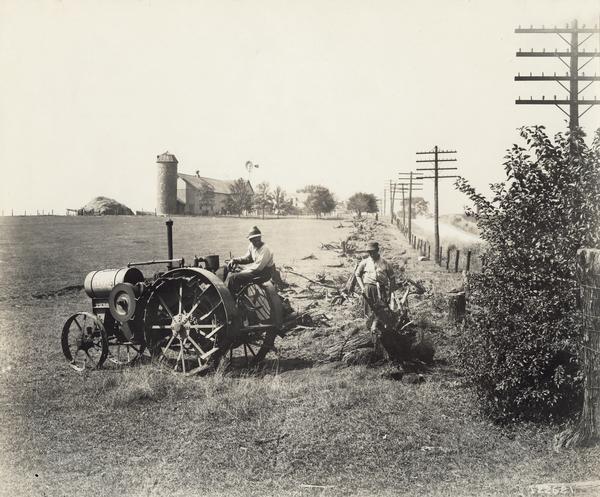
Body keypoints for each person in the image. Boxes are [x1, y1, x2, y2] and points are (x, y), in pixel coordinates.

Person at [354, 241, 396, 326]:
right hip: (368, 289)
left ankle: (382, 330)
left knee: (383, 311)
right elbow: (357, 274)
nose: (371, 254)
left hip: (381, 289)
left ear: (377, 250)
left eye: (373, 252)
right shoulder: (364, 262)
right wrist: (362, 287)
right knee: (369, 311)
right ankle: (370, 330)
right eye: (369, 252)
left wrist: (391, 293)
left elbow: (392, 278)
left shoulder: (385, 262)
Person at [225, 226, 275, 295]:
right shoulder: (252, 246)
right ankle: (239, 294)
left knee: (233, 278)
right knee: (231, 271)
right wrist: (235, 260)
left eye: (258, 239)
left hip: (265, 273)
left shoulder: (265, 249)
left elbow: (258, 268)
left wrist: (243, 272)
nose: (256, 242)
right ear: (250, 240)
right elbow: (248, 258)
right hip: (257, 270)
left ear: (260, 238)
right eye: (254, 240)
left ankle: (230, 299)